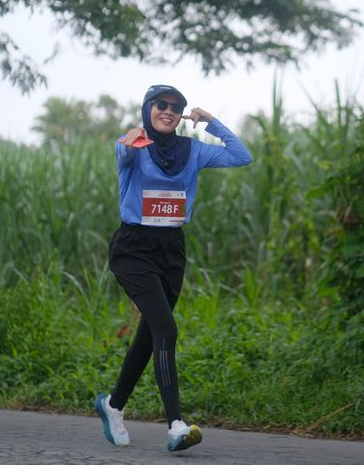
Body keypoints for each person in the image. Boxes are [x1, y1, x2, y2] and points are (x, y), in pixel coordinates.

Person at [95, 84, 253, 452]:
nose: (168, 111)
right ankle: (176, 425)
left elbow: (241, 156)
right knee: (166, 328)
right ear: (147, 108)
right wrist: (131, 139)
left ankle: (113, 405)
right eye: (161, 105)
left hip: (171, 251)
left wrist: (211, 121)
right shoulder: (134, 146)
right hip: (134, 248)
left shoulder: (191, 150)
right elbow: (123, 152)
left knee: (151, 334)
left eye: (175, 107)